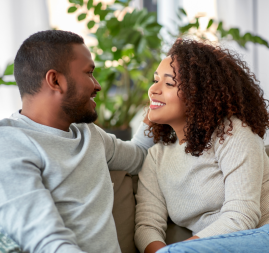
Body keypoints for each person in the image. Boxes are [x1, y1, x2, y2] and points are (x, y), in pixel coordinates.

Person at [0, 30, 154, 253]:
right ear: (55, 80)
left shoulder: (89, 134)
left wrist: (156, 111)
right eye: (89, 73)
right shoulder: (10, 144)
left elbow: (139, 156)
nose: (98, 85)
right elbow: (47, 243)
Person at [134, 39, 269, 253]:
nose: (153, 90)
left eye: (169, 84)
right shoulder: (156, 156)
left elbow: (242, 216)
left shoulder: (232, 131)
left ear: (198, 94)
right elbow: (147, 226)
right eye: (155, 80)